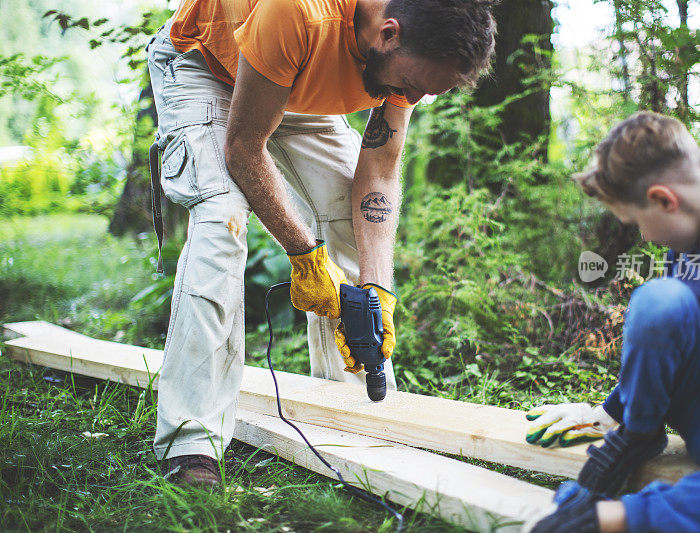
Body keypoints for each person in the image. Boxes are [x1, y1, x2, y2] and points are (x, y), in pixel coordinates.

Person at [145, 0, 496, 485]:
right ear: (388, 34)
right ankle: (191, 444)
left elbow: (379, 170)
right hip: (209, 66)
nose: (412, 97)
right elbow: (244, 148)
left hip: (296, 88)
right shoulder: (296, 12)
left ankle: (355, 421)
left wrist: (376, 289)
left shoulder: (411, 51)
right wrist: (304, 256)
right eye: (412, 87)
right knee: (221, 222)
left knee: (355, 228)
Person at [528, 112, 700, 532]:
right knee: (659, 299)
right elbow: (669, 332)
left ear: (664, 199)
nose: (646, 237)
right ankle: (639, 433)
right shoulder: (684, 243)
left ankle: (616, 518)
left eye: (637, 223)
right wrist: (608, 413)